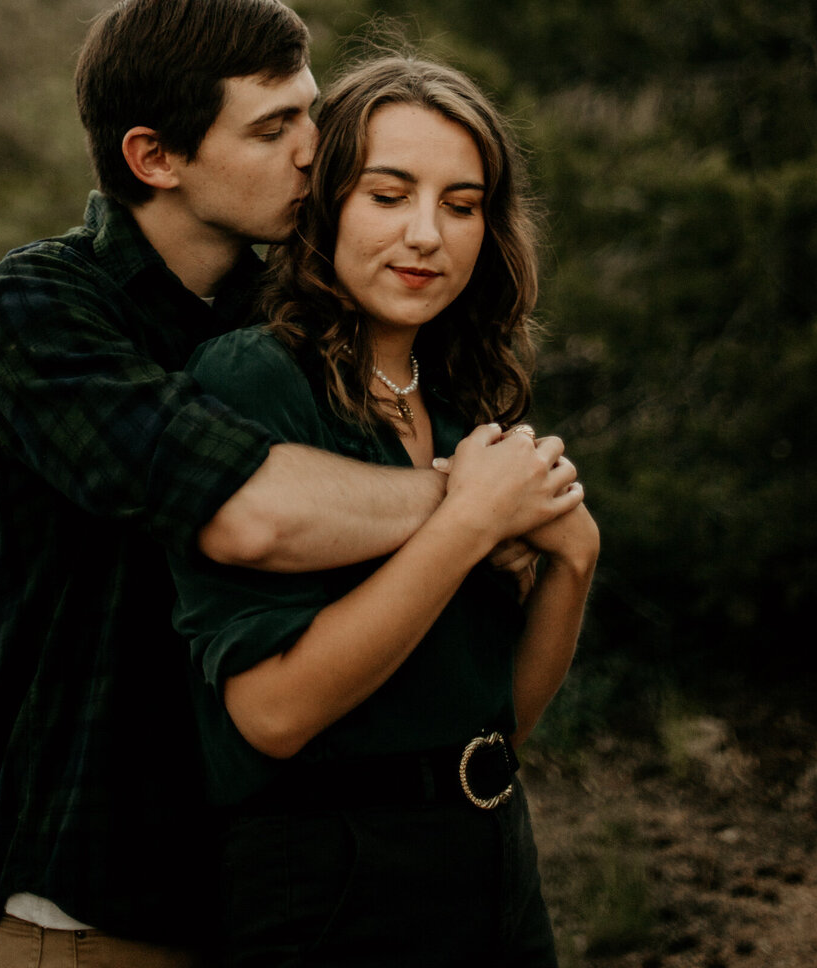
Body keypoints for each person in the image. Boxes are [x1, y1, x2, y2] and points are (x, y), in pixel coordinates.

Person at [0, 0, 540, 967]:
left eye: (312, 111)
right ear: (155, 157)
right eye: (274, 127)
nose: (315, 148)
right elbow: (248, 515)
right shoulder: (46, 306)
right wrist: (480, 502)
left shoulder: (283, 319)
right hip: (111, 894)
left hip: (286, 881)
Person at [169, 54, 600, 967]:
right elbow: (273, 713)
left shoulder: (460, 397)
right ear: (324, 204)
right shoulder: (254, 380)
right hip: (328, 884)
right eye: (388, 194)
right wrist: (469, 523)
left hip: (491, 860)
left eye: (461, 203)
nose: (426, 236)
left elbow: (498, 720)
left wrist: (576, 555)